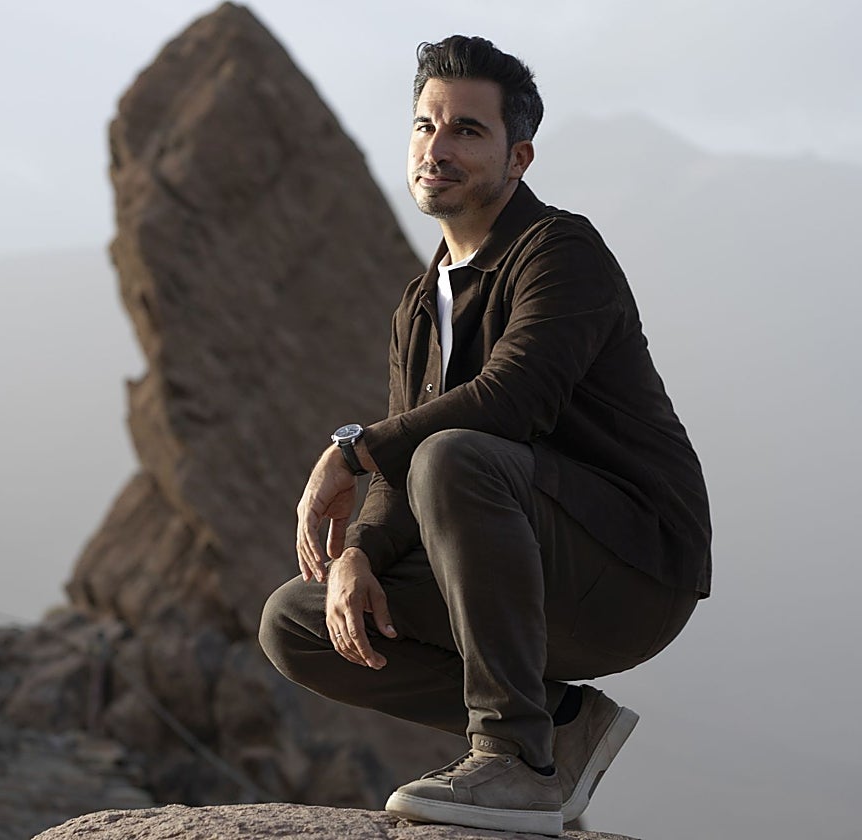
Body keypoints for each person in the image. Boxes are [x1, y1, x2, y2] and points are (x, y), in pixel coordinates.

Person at [258, 35, 711, 837]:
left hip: (628, 570)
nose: (437, 147)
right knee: (298, 620)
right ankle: (563, 724)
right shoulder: (419, 303)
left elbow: (512, 400)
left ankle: (514, 761)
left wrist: (349, 450)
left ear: (518, 157)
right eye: (424, 125)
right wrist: (359, 552)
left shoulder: (561, 252)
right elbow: (399, 478)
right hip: (509, 570)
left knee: (454, 455)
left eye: (467, 129)